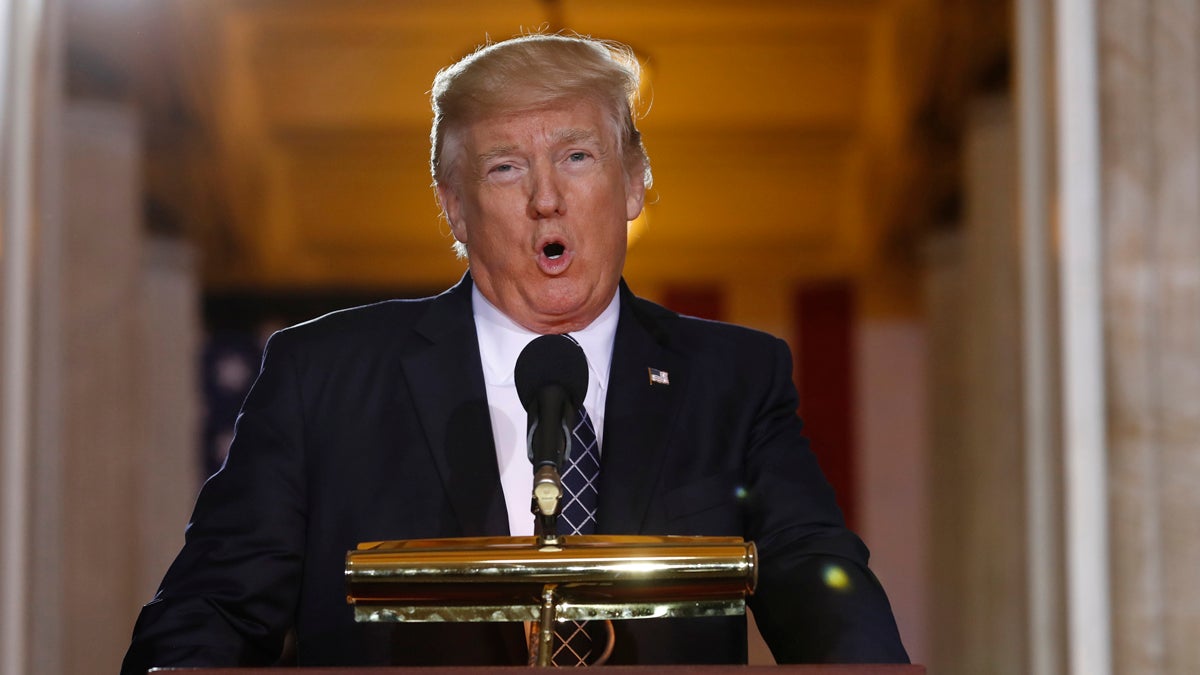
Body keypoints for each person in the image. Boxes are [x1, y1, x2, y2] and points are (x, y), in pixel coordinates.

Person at [121, 33, 908, 673]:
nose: (546, 198)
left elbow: (819, 577)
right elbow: (211, 610)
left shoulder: (734, 381)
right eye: (505, 168)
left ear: (634, 182)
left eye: (577, 156)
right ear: (454, 206)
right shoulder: (323, 378)